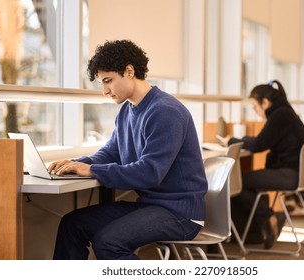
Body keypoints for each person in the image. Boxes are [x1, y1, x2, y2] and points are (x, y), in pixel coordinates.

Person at [48, 40, 208, 260]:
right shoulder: (128, 111)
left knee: (109, 243)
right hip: (151, 206)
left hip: (180, 214)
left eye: (108, 81)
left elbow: (150, 172)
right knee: (72, 224)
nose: (105, 91)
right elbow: (111, 152)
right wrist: (75, 163)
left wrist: (92, 170)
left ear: (129, 71)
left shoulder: (165, 111)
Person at [220, 80, 304, 249]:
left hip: (288, 173)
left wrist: (231, 140)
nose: (255, 111)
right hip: (294, 171)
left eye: (255, 106)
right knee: (243, 183)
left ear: (265, 103)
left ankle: (268, 217)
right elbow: (260, 141)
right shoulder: (286, 112)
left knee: (234, 183)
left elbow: (258, 145)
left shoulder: (279, 115)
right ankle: (260, 228)